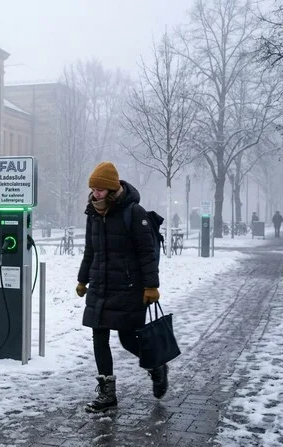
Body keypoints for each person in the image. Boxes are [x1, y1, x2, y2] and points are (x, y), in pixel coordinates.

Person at [75, 161, 165, 413]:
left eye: (100, 190)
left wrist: (151, 286)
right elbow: (90, 250)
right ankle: (107, 395)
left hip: (127, 286)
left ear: (112, 189)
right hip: (100, 285)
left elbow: (146, 252)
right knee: (99, 336)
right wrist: (83, 279)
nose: (96, 194)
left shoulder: (133, 212)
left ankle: (156, 366)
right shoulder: (92, 213)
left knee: (128, 339)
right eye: (93, 189)